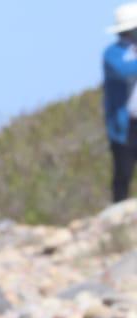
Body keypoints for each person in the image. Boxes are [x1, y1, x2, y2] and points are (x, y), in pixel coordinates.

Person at [104, 3, 137, 202]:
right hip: (125, 124)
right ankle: (118, 211)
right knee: (123, 172)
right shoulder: (113, 53)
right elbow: (123, 70)